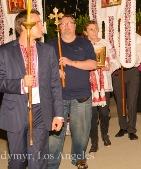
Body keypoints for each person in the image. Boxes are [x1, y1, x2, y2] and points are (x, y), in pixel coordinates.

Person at [0, 9, 63, 169]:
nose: (41, 25)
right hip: (15, 111)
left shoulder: (47, 51)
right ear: (24, 26)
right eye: (37, 22)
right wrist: (20, 83)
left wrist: (58, 114)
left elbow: (55, 84)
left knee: (38, 161)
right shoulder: (5, 51)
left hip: (40, 111)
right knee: (17, 161)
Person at [47, 15, 97, 169]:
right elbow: (41, 68)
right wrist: (54, 71)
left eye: (70, 23)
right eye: (63, 24)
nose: (67, 26)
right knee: (55, 134)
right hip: (57, 97)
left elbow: (92, 64)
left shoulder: (84, 43)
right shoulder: (50, 45)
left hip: (81, 95)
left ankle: (79, 158)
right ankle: (51, 163)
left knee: (81, 132)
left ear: (75, 26)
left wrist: (70, 62)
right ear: (58, 27)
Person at [84, 21, 120, 153]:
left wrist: (110, 66)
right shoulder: (83, 45)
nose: (94, 31)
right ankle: (94, 142)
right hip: (89, 84)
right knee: (92, 115)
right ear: (86, 32)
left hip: (104, 82)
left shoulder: (106, 43)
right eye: (91, 29)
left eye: (96, 29)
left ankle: (105, 135)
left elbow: (116, 60)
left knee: (104, 113)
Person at [112, 33, 141, 140]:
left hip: (132, 70)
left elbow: (140, 53)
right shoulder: (113, 35)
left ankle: (131, 128)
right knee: (120, 101)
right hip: (118, 71)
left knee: (132, 101)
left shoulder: (136, 37)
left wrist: (129, 59)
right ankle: (123, 126)